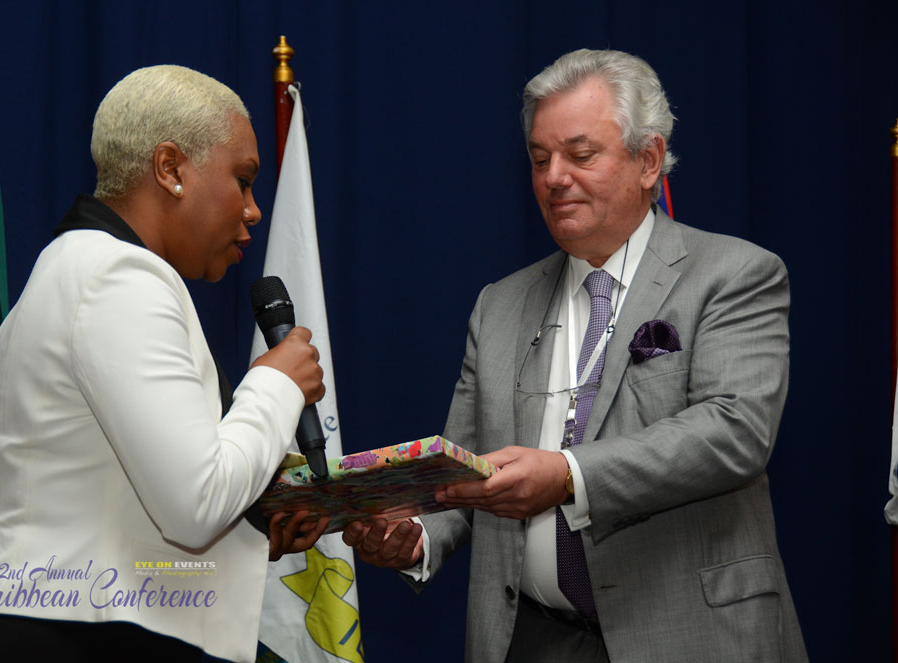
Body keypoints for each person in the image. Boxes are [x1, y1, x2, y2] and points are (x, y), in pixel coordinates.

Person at [344, 49, 807, 662]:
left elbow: (734, 432)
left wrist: (568, 475)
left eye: (580, 155)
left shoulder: (735, 273)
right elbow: (468, 470)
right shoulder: (499, 304)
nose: (554, 177)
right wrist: (417, 535)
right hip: (530, 640)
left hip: (689, 638)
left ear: (648, 160)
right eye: (540, 159)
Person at [0, 65, 328, 663]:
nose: (253, 210)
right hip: (43, 641)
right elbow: (194, 506)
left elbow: (111, 512)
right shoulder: (118, 277)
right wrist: (275, 381)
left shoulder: (78, 266)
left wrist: (251, 526)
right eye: (242, 181)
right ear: (170, 169)